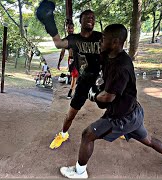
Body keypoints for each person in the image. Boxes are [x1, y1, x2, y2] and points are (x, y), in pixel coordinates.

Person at [59, 24, 162, 178]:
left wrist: (93, 96)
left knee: (87, 135)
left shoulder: (121, 66)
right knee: (148, 139)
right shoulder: (109, 55)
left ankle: (80, 172)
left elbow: (107, 98)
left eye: (103, 39)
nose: (100, 42)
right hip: (133, 112)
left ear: (115, 42)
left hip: (121, 118)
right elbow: (95, 64)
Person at [36, 1, 102, 149]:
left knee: (114, 102)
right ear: (80, 21)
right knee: (72, 111)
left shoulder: (100, 37)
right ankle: (63, 134)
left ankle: (122, 125)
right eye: (87, 17)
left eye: (93, 17)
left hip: (100, 79)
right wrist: (49, 21)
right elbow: (59, 44)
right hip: (84, 80)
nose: (91, 19)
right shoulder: (74, 39)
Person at [57, 21, 79, 99]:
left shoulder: (78, 38)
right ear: (66, 29)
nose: (70, 30)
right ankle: (71, 91)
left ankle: (75, 91)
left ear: (74, 28)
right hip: (71, 59)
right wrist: (59, 63)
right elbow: (62, 53)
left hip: (79, 58)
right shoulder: (65, 41)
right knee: (74, 76)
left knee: (78, 75)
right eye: (68, 28)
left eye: (71, 28)